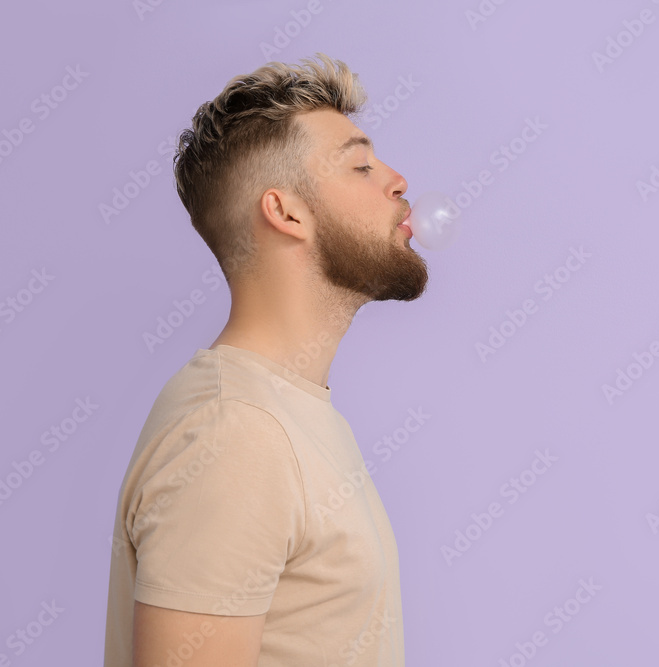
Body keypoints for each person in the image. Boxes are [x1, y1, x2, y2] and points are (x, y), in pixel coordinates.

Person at [103, 52, 428, 667]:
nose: (397, 180)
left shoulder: (285, 414)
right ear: (285, 212)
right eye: (359, 165)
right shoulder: (235, 434)